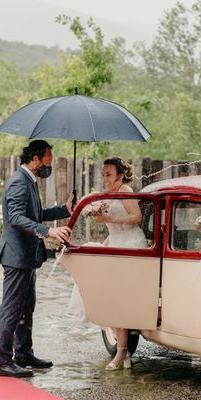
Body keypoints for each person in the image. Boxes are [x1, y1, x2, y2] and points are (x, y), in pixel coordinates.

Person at [0, 140, 73, 378]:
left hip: (27, 256)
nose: (50, 165)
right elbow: (16, 217)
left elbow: (37, 215)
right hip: (16, 256)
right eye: (48, 159)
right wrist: (48, 232)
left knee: (27, 308)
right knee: (12, 309)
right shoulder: (19, 181)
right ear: (36, 159)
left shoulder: (29, 181)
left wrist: (65, 209)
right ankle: (1, 361)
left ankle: (23, 354)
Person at [90, 156, 146, 370]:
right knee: (108, 299)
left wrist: (109, 220)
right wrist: (103, 242)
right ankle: (124, 352)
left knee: (118, 301)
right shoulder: (108, 196)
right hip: (116, 245)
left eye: (109, 174)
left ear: (120, 175)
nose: (105, 178)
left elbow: (136, 218)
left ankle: (122, 353)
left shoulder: (125, 191)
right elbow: (114, 231)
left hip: (131, 247)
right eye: (103, 174)